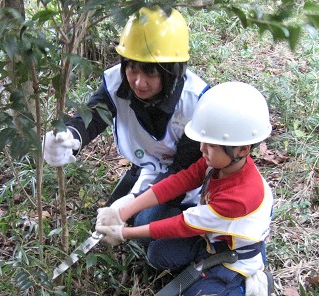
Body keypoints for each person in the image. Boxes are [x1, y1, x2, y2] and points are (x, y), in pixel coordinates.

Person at [95, 81, 274, 296]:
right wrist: (123, 211)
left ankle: (246, 286)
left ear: (242, 149)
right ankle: (204, 267)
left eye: (210, 145)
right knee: (157, 254)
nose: (202, 149)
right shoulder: (217, 163)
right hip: (211, 237)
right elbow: (179, 182)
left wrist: (124, 233)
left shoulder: (239, 198)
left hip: (235, 255)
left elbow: (183, 225)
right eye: (202, 142)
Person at [43, 6, 210, 233]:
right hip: (148, 168)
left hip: (185, 184)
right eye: (133, 68)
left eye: (151, 72)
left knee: (142, 223)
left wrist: (132, 202)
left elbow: (184, 175)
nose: (139, 82)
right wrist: (70, 136)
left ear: (172, 71)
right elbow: (93, 116)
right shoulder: (116, 82)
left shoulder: (195, 103)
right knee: (111, 218)